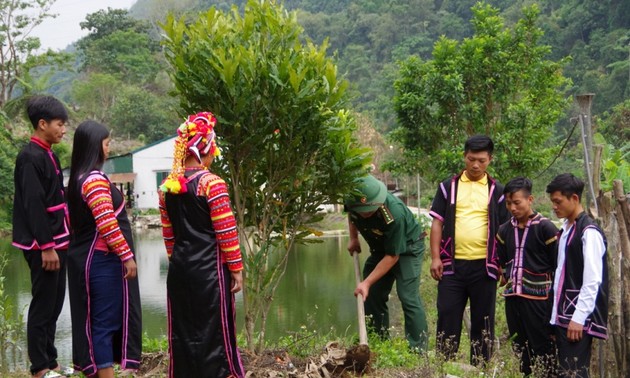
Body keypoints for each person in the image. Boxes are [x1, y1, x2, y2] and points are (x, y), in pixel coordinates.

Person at [158, 112, 245, 378]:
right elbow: (226, 231)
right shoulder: (212, 184)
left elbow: (169, 238)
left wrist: (180, 260)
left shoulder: (167, 188)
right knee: (214, 332)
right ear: (205, 149)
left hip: (180, 270)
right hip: (209, 271)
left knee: (184, 333)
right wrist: (236, 269)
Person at [66, 121, 142, 377]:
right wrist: (127, 257)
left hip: (89, 259)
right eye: (107, 144)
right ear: (94, 147)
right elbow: (108, 224)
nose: (108, 149)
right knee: (105, 323)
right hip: (102, 261)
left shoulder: (77, 179)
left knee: (98, 321)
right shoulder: (95, 180)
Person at [429, 134, 509, 365]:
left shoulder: (498, 191)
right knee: (447, 315)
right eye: (471, 159)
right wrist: (435, 257)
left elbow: (505, 231)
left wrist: (503, 265)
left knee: (483, 320)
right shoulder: (447, 188)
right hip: (451, 266)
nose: (475, 165)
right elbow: (437, 223)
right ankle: (445, 365)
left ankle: (480, 367)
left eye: (481, 160)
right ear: (464, 156)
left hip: (485, 267)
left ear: (490, 160)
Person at [12, 95, 72, 378]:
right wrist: (46, 246)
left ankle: (52, 362)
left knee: (56, 303)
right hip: (42, 244)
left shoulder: (50, 153)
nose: (63, 130)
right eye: (60, 124)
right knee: (42, 304)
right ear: (42, 124)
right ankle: (39, 368)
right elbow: (33, 204)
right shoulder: (29, 157)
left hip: (59, 239)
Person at [344, 174, 428, 351]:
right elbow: (352, 216)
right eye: (362, 210)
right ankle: (378, 342)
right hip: (381, 248)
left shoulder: (393, 213)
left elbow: (392, 256)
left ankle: (417, 350)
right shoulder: (352, 201)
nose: (365, 214)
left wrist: (365, 283)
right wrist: (353, 238)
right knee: (372, 293)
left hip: (408, 249)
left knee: (407, 296)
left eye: (369, 210)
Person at [546, 173, 608, 378]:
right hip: (563, 316)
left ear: (574, 198)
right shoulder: (565, 230)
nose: (554, 206)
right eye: (553, 202)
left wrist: (579, 318)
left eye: (558, 201)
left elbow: (593, 280)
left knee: (574, 373)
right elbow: (560, 275)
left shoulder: (589, 232)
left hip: (575, 318)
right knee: (566, 372)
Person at [496, 177, 558, 376]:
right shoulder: (504, 230)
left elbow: (557, 264)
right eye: (508, 203)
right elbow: (503, 260)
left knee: (543, 344)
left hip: (540, 299)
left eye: (517, 202)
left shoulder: (546, 228)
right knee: (520, 345)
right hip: (514, 298)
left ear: (530, 199)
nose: (512, 208)